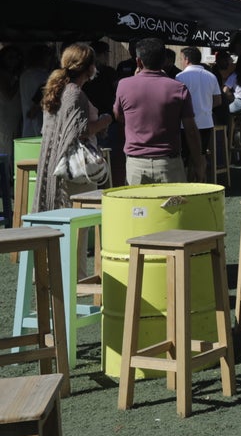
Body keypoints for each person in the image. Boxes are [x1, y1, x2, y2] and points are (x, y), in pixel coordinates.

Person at [34, 44, 112, 280]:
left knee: (60, 228)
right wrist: (106, 120)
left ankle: (53, 280)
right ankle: (72, 283)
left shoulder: (55, 88)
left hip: (54, 168)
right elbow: (80, 132)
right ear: (89, 68)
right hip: (73, 172)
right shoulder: (74, 93)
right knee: (76, 231)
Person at [114, 37, 204, 185]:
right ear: (164, 61)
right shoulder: (178, 88)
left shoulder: (124, 85)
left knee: (139, 208)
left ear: (138, 61)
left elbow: (118, 116)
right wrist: (198, 163)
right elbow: (191, 131)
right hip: (169, 163)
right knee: (174, 207)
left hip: (136, 163)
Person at [174, 46, 221, 152]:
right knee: (201, 154)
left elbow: (176, 101)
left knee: (186, 155)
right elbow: (218, 100)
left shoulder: (180, 77)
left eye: (181, 59)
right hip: (206, 122)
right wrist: (205, 106)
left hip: (185, 123)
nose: (181, 61)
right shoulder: (211, 76)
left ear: (187, 59)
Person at [19, 44, 54, 137]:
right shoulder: (43, 76)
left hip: (27, 125)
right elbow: (42, 97)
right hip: (41, 123)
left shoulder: (24, 75)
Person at [0, 46, 23, 160]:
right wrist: (20, 81)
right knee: (6, 141)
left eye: (16, 57)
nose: (14, 60)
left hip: (15, 113)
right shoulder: (2, 75)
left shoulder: (13, 74)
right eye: (10, 57)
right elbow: (8, 95)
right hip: (5, 114)